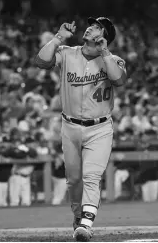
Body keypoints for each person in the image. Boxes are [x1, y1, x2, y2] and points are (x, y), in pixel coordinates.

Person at [35, 17, 127, 241]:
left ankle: (86, 222)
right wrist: (58, 38)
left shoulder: (113, 59)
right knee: (74, 179)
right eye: (91, 25)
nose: (89, 28)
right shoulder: (67, 52)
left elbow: (119, 79)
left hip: (100, 128)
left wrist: (105, 52)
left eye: (96, 27)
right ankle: (79, 218)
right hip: (70, 126)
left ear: (104, 36)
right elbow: (41, 61)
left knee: (91, 176)